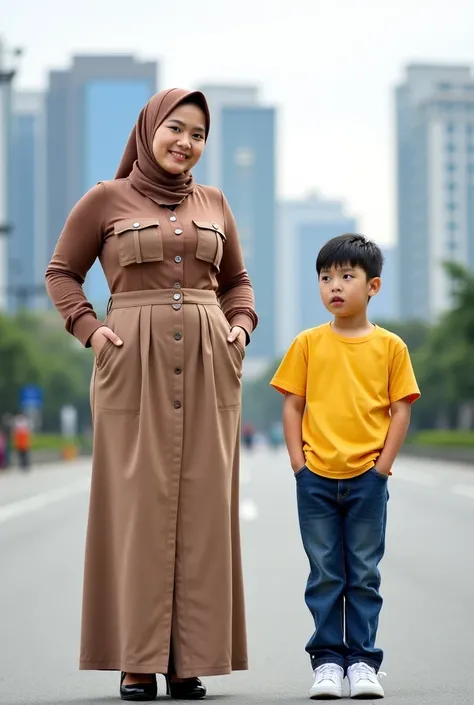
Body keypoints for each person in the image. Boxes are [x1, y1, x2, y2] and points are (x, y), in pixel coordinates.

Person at [46, 88, 258, 702]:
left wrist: (238, 330)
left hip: (208, 364)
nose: (185, 142)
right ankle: (135, 659)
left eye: (197, 134)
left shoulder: (215, 203)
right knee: (135, 508)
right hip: (129, 362)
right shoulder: (105, 199)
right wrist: (92, 331)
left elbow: (237, 282)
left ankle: (188, 658)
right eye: (175, 128)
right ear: (149, 129)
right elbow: (62, 272)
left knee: (202, 508)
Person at [270, 234, 420, 700]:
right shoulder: (308, 344)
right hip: (315, 480)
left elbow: (401, 409)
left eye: (347, 277)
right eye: (325, 277)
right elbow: (293, 406)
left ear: (372, 286)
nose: (334, 286)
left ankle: (363, 664)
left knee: (363, 573)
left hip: (367, 481)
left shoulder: (391, 346)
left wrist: (381, 469)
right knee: (325, 574)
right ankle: (328, 664)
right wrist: (299, 466)